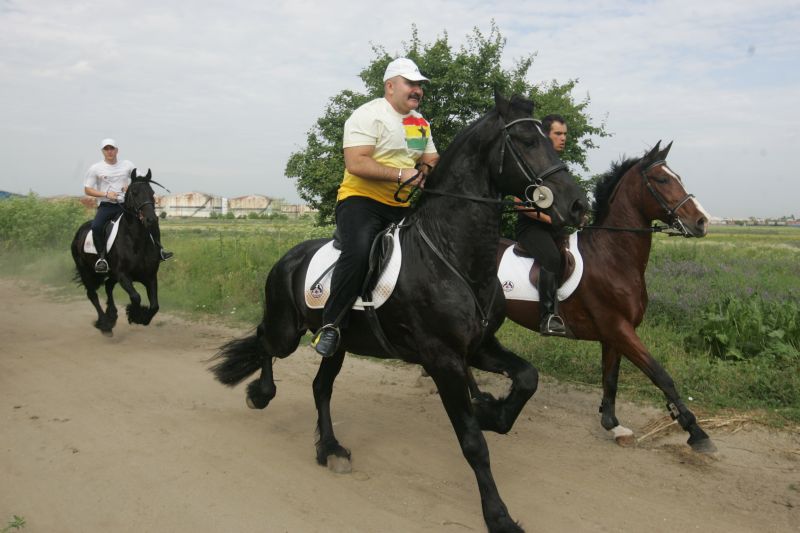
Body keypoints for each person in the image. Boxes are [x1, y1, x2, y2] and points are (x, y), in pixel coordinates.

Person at [311, 58, 440, 358]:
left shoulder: (418, 122)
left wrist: (423, 171)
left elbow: (431, 158)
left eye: (420, 85)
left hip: (402, 205)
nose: (417, 90)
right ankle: (331, 326)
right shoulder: (368, 115)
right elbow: (356, 162)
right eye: (411, 83)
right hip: (361, 202)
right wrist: (400, 174)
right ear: (390, 85)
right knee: (358, 252)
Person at [514, 114, 570, 336]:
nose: (563, 138)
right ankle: (547, 317)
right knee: (552, 259)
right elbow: (519, 204)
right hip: (531, 229)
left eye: (565, 134)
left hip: (555, 228)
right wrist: (549, 219)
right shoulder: (529, 166)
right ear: (545, 137)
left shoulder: (559, 168)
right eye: (558, 134)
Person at [83, 138, 173, 273]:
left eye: (112, 148)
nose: (109, 151)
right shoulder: (95, 168)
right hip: (107, 205)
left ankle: (159, 251)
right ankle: (102, 259)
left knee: (152, 220)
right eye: (106, 149)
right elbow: (87, 189)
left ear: (116, 150)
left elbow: (141, 181)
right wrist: (106, 194)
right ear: (103, 151)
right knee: (96, 226)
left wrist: (130, 187)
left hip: (126, 206)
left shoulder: (127, 165)